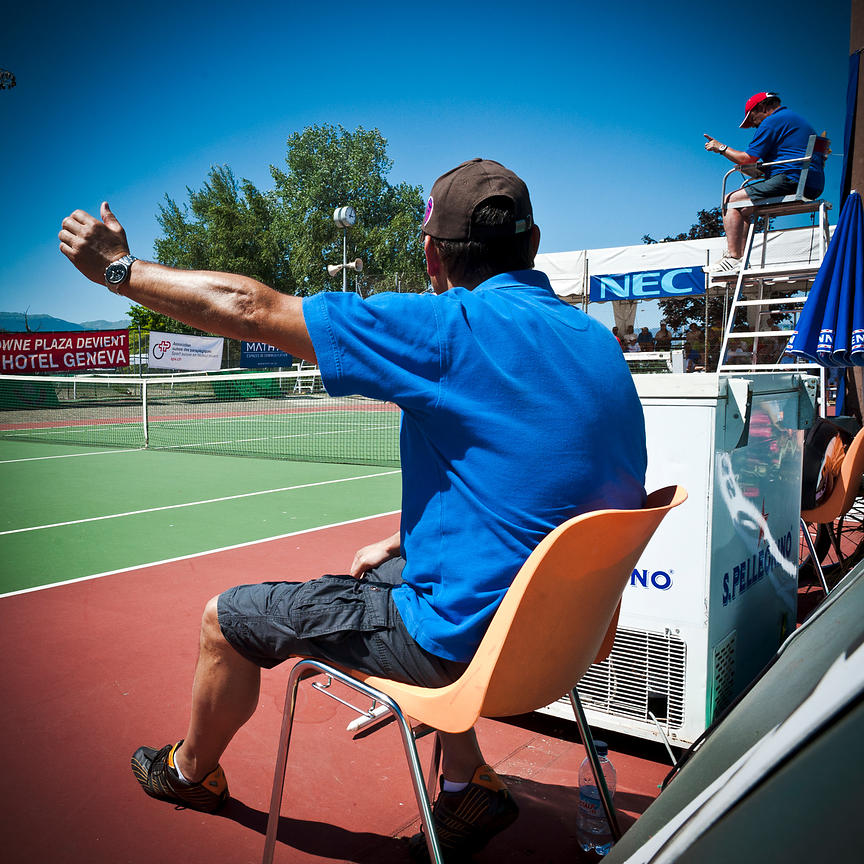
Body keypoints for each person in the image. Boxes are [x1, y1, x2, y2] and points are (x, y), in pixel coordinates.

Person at [59, 158, 647, 860]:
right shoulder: (597, 341)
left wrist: (119, 270)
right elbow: (545, 478)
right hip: (567, 644)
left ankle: (189, 774)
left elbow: (251, 308)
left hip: (462, 652)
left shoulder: (447, 328)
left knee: (224, 620)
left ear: (432, 256)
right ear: (534, 243)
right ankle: (466, 785)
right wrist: (406, 539)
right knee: (386, 572)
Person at [703, 92, 825, 274]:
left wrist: (720, 148)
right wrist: (762, 170)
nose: (754, 126)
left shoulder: (772, 121)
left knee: (731, 200)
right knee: (744, 207)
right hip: (813, 183)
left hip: (792, 179)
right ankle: (740, 259)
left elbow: (746, 159)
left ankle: (734, 257)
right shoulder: (794, 119)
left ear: (761, 107)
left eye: (752, 120)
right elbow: (794, 157)